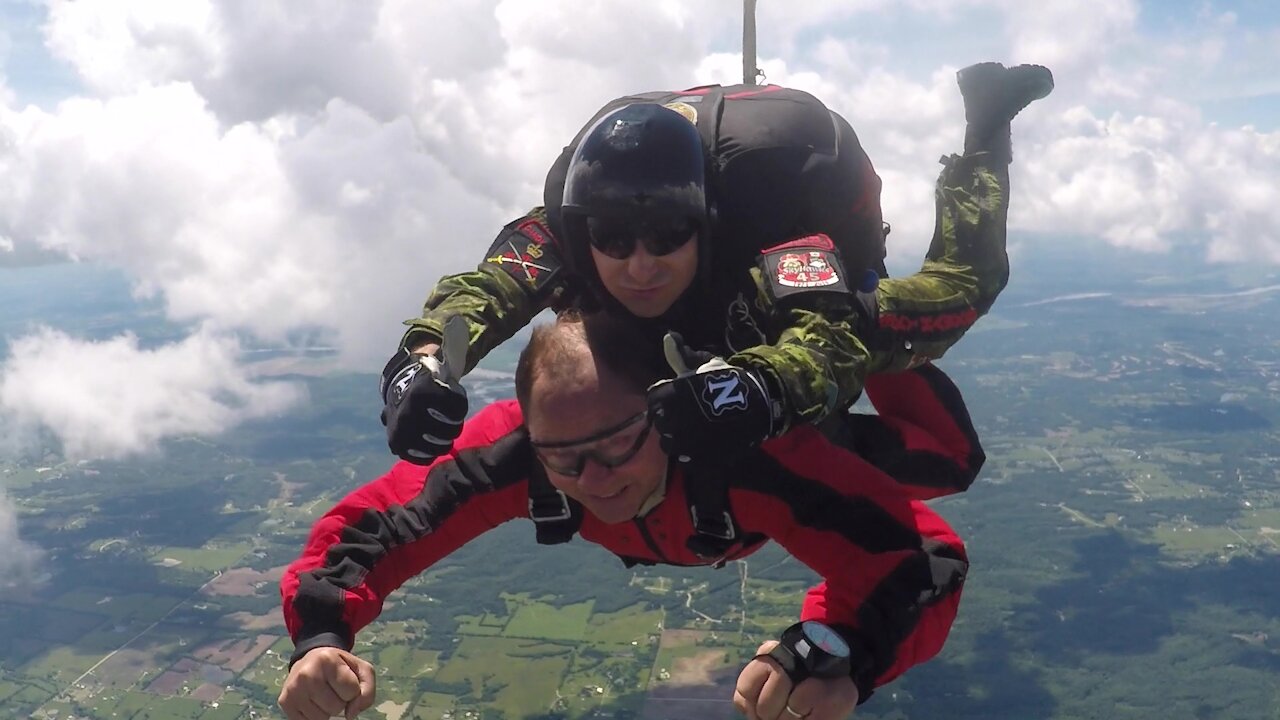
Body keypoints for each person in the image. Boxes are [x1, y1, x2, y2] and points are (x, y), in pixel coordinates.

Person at [379, 62, 1052, 501]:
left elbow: (825, 341)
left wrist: (759, 389)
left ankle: (987, 125)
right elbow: (485, 289)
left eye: (669, 235)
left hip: (790, 301)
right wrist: (421, 363)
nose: (640, 264)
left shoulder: (778, 242)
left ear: (706, 222)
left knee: (963, 290)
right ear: (586, 228)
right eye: (614, 240)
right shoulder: (566, 223)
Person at [280, 311, 973, 720]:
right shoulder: (519, 452)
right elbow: (380, 524)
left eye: (615, 446)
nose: (595, 480)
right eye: (565, 459)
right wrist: (320, 637)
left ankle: (866, 323)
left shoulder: (749, 457)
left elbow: (920, 561)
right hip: (717, 513)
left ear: (665, 417)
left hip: (772, 450)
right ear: (532, 433)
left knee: (947, 461)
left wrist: (834, 650)